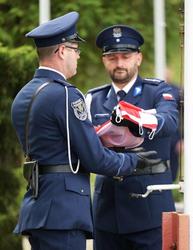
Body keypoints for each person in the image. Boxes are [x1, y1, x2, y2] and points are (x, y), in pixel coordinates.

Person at [11, 13, 156, 250]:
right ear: (61, 51)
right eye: (75, 48)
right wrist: (134, 162)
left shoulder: (24, 95)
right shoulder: (66, 94)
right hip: (63, 212)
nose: (78, 55)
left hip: (39, 206)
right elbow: (94, 158)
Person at [86, 24, 178, 250]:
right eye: (112, 57)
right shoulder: (93, 99)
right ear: (104, 60)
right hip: (108, 210)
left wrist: (136, 118)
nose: (119, 63)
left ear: (138, 58)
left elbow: (169, 122)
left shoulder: (157, 91)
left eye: (125, 56)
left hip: (148, 207)